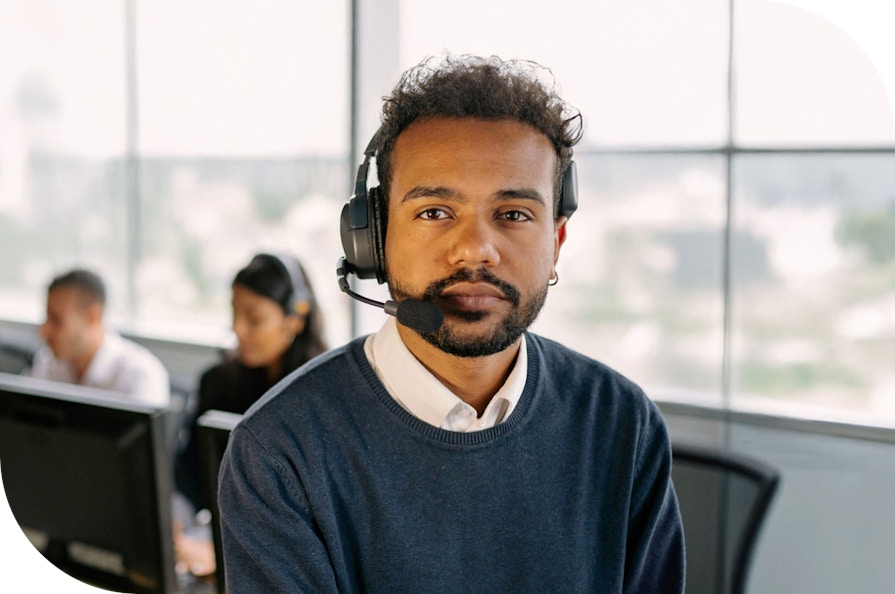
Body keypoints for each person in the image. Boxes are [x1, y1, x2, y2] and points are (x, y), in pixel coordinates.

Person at [219, 54, 685, 592]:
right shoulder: (281, 452)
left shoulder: (622, 424)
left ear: (555, 245)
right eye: (435, 212)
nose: (475, 250)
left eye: (513, 214)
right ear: (376, 241)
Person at [172, 252, 327, 576]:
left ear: (295, 318)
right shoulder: (217, 382)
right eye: (234, 313)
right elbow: (188, 475)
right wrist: (177, 523)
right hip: (213, 554)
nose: (238, 329)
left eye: (253, 318)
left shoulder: (325, 397)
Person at [30, 268, 170, 408]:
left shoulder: (140, 375)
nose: (43, 331)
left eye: (56, 320)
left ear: (92, 317)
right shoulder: (47, 362)